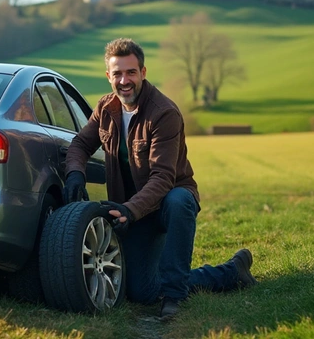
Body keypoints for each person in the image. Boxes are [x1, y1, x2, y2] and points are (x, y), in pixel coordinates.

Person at [63, 38, 256, 319]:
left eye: (131, 72)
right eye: (117, 73)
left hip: (167, 202)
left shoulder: (164, 112)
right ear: (108, 76)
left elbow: (163, 178)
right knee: (142, 292)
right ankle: (231, 272)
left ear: (143, 72)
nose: (124, 80)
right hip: (133, 211)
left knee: (179, 201)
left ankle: (174, 297)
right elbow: (80, 145)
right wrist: (75, 174)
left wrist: (130, 209)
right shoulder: (105, 108)